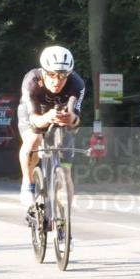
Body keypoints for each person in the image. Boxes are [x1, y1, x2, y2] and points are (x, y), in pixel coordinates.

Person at [18, 45, 86, 207]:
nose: (57, 81)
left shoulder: (77, 84)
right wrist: (48, 117)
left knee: (66, 167)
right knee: (33, 140)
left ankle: (63, 218)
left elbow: (75, 121)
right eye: (52, 75)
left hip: (61, 112)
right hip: (35, 112)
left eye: (63, 76)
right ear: (43, 71)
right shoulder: (32, 81)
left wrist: (70, 119)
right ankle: (27, 183)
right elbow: (34, 120)